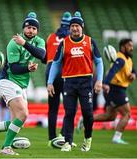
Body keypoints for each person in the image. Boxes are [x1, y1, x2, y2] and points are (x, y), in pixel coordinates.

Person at [0, 12, 46, 156]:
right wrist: (28, 67)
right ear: (23, 29)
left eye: (34, 28)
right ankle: (5, 147)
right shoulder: (14, 42)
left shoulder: (39, 41)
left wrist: (25, 44)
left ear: (37, 30)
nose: (31, 30)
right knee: (23, 114)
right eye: (28, 27)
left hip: (22, 85)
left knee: (16, 121)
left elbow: (42, 55)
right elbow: (14, 69)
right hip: (8, 81)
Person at [47, 11, 104, 152]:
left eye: (77, 25)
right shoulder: (64, 43)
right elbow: (55, 63)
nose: (74, 28)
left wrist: (99, 81)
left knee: (88, 113)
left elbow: (99, 61)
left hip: (86, 82)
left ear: (82, 26)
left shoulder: (90, 41)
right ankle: (68, 142)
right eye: (72, 26)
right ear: (70, 27)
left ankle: (87, 139)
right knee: (69, 113)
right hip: (69, 82)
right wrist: (49, 82)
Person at [94, 38, 136, 144]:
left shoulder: (128, 59)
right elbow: (112, 71)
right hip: (115, 89)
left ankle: (86, 119)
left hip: (117, 89)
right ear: (123, 47)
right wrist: (106, 83)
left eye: (132, 45)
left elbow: (133, 69)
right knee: (127, 114)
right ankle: (117, 137)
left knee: (110, 116)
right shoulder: (120, 59)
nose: (132, 48)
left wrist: (133, 74)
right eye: (129, 45)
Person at [45, 11, 72, 145]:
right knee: (69, 106)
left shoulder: (50, 37)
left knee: (52, 108)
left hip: (50, 71)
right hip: (64, 71)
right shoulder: (71, 39)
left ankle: (51, 138)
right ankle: (63, 134)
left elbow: (45, 58)